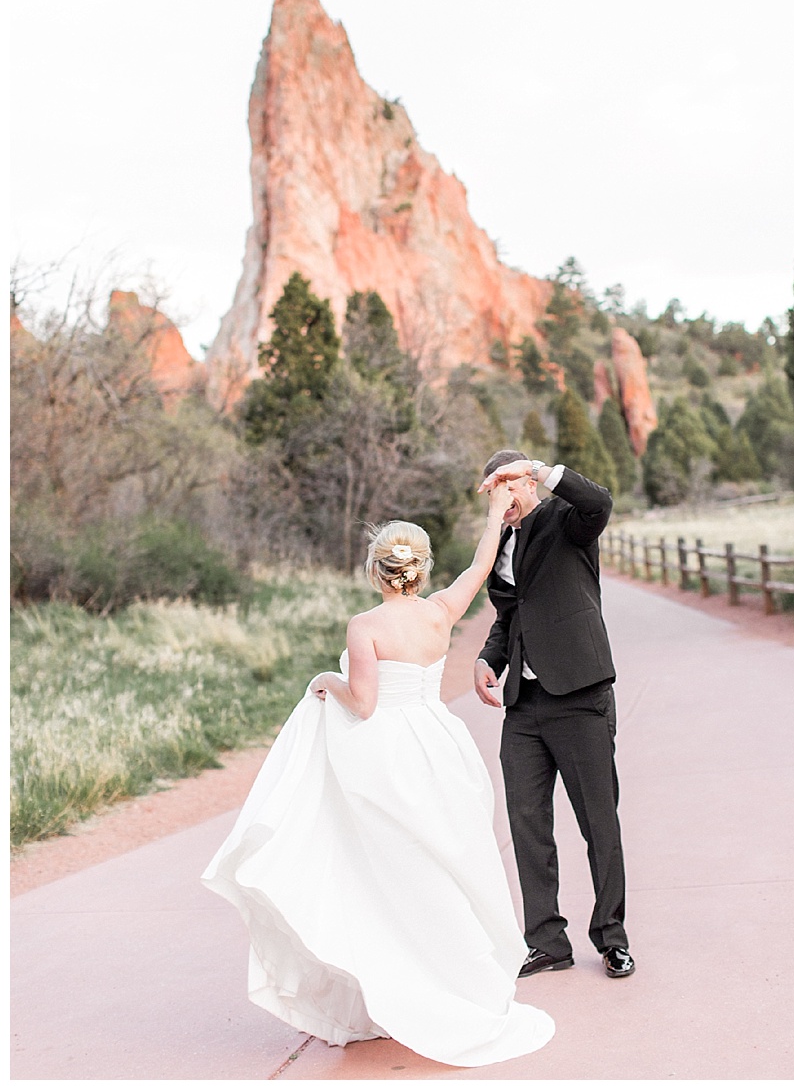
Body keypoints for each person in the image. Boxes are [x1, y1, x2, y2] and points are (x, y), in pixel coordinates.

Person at [202, 482, 554, 1067]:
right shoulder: (443, 611)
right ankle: (453, 982)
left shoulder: (363, 626)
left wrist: (324, 680)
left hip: (385, 754)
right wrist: (495, 514)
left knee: (380, 873)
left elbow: (362, 704)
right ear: (420, 570)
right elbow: (481, 564)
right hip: (439, 747)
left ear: (376, 570)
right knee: (444, 866)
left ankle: (397, 988)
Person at [473, 451, 633, 979]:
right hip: (524, 707)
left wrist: (537, 470)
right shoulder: (498, 544)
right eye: (495, 491)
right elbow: (509, 616)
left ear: (528, 484)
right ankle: (546, 941)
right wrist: (486, 659)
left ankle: (612, 937)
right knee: (527, 822)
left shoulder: (568, 520)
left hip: (580, 693)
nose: (504, 500)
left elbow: (600, 501)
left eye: (509, 488)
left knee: (598, 822)